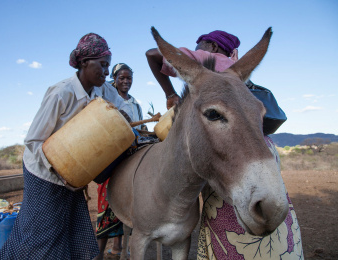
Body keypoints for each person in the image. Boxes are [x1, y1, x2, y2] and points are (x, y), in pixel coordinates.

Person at [146, 30, 303, 259]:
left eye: (200, 45)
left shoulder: (204, 61)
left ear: (213, 47)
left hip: (232, 152)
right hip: (263, 146)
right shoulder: (236, 70)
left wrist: (170, 93)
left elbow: (152, 54)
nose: (197, 49)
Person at [0, 33, 133, 260]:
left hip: (73, 175)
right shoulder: (62, 93)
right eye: (102, 65)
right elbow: (33, 141)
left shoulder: (103, 91)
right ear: (85, 62)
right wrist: (59, 170)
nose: (107, 73)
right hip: (43, 173)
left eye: (108, 66)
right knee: (39, 235)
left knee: (69, 231)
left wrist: (123, 114)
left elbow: (118, 108)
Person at [94, 63, 141, 260]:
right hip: (111, 157)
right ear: (114, 78)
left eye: (129, 78)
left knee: (126, 203)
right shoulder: (107, 98)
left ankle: (118, 247)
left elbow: (137, 131)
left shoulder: (135, 104)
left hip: (129, 156)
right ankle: (98, 253)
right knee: (107, 203)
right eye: (122, 78)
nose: (126, 81)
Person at [146, 30, 240, 109]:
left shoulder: (205, 57)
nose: (196, 51)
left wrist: (171, 95)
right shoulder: (235, 67)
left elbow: (151, 54)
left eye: (198, 48)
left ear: (213, 46)